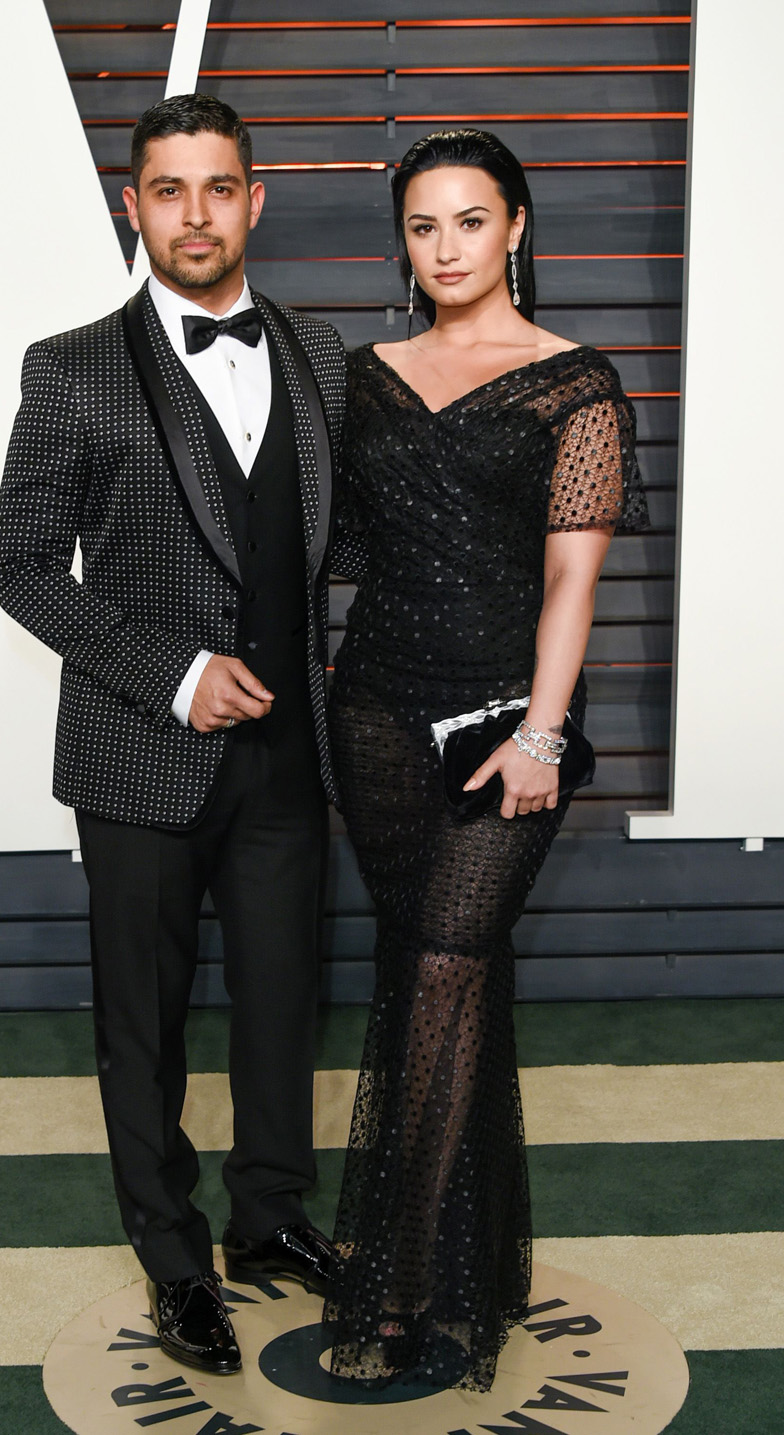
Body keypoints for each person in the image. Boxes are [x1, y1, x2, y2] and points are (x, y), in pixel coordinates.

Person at [0, 93, 345, 1376]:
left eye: (218, 188)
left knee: (280, 1005)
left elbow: (322, 544)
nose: (194, 215)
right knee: (142, 1020)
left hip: (289, 756)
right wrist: (175, 671)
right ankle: (175, 1258)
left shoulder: (312, 349)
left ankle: (269, 1217)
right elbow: (23, 568)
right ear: (131, 205)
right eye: (168, 190)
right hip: (139, 751)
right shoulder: (70, 364)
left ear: (254, 200)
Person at [323, 129, 649, 1390]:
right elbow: (330, 552)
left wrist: (541, 735)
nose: (446, 246)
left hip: (511, 723)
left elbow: (572, 580)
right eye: (422, 225)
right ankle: (472, 1257)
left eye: (469, 220)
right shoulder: (363, 378)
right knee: (422, 970)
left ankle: (401, 1278)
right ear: (402, 241)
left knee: (448, 970)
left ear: (516, 226)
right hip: (377, 717)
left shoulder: (575, 382)